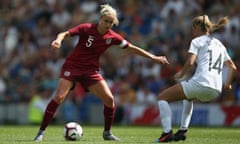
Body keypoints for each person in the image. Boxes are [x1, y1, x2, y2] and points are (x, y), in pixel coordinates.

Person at [33, 4, 169, 142]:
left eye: (111, 22)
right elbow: (65, 33)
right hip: (72, 66)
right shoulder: (87, 28)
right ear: (100, 19)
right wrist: (58, 40)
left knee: (109, 100)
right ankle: (41, 132)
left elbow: (132, 48)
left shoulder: (113, 37)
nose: (108, 24)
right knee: (59, 97)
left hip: (90, 71)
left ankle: (107, 133)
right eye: (106, 21)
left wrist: (153, 57)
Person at [155, 15, 237, 143]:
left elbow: (190, 62)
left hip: (202, 83)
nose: (193, 32)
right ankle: (182, 131)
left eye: (193, 29)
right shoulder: (220, 44)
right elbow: (232, 67)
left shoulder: (197, 41)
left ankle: (167, 133)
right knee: (188, 97)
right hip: (216, 89)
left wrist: (181, 74)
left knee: (162, 97)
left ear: (197, 28)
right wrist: (227, 83)